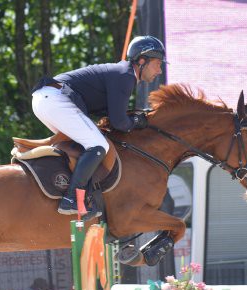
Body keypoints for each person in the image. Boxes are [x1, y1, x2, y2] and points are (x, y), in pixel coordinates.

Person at [31, 35, 166, 219]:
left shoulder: (123, 74)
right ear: (142, 61)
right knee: (98, 145)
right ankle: (70, 198)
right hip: (54, 99)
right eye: (158, 63)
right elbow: (119, 122)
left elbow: (114, 117)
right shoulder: (126, 76)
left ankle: (79, 196)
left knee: (86, 146)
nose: (159, 70)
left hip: (47, 100)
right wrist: (137, 122)